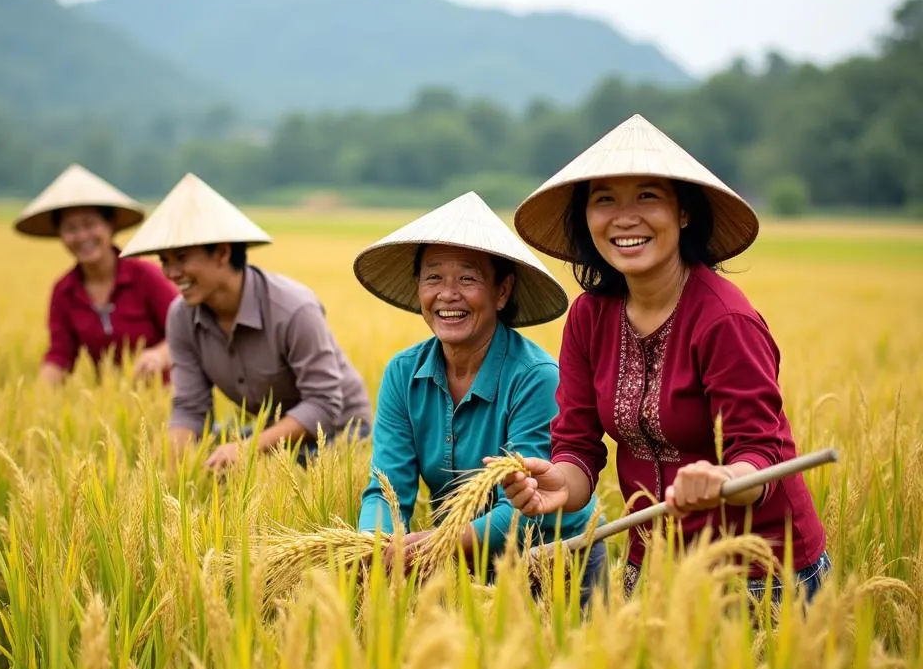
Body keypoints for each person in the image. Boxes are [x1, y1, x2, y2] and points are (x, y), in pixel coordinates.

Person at [498, 114, 830, 604]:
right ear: (586, 220)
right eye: (604, 199)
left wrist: (722, 479)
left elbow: (760, 455)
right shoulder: (589, 319)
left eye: (647, 196)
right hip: (652, 568)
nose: (624, 217)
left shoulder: (723, 320)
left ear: (684, 213)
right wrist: (557, 486)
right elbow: (578, 447)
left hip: (759, 574)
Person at [354, 191, 603, 590]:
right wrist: (370, 544)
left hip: (555, 560)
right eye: (433, 277)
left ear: (502, 292)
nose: (448, 294)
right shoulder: (403, 374)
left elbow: (525, 508)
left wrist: (439, 543)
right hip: (462, 562)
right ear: (418, 287)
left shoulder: (535, 377)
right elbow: (386, 487)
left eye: (467, 279)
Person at [121, 173, 372, 468]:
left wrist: (248, 448)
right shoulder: (181, 317)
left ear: (223, 252)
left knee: (247, 466)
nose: (172, 273)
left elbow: (324, 406)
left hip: (340, 433)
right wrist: (166, 473)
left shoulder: (293, 309)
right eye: (165, 261)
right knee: (209, 454)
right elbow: (190, 407)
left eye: (182, 257)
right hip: (273, 435)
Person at [14, 164, 178, 385]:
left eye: (90, 225)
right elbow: (60, 355)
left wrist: (159, 355)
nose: (82, 236)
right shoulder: (64, 291)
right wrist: (35, 397)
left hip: (165, 399)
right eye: (71, 228)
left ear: (110, 226)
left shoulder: (146, 277)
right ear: (60, 235)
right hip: (108, 405)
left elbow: (186, 332)